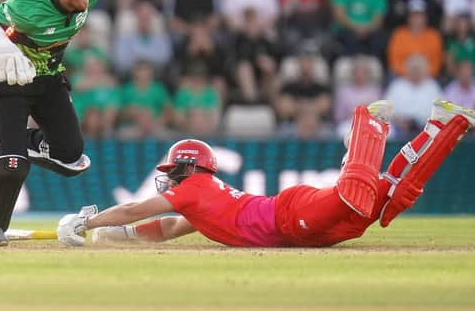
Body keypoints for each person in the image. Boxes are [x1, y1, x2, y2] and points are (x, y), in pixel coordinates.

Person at [57, 99, 475, 248]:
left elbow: (134, 209)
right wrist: (112, 237)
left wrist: (86, 219)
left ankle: (368, 125)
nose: (170, 177)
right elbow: (165, 229)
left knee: (354, 194)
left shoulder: (196, 187)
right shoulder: (201, 201)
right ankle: (444, 126)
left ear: (190, 166)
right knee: (385, 199)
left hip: (290, 215)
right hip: (304, 233)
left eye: (174, 169)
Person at [0, 0, 108, 245]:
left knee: (73, 158)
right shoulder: (26, 6)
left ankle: (20, 145)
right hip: (11, 77)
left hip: (50, 77)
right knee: (12, 165)